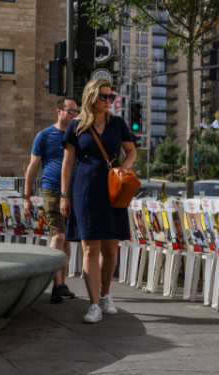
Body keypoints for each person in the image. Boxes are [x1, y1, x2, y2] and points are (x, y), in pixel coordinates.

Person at [60, 78, 136, 323]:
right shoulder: (76, 126)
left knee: (111, 250)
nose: (107, 101)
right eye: (103, 96)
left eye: (110, 96)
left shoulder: (117, 124)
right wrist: (64, 194)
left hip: (114, 192)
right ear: (91, 97)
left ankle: (106, 294)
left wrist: (122, 170)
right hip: (85, 191)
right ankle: (93, 304)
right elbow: (68, 162)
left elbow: (131, 150)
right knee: (90, 249)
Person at [24, 97, 80, 304]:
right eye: (71, 111)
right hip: (52, 190)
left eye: (76, 112)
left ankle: (61, 283)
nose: (75, 115)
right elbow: (32, 167)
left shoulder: (77, 134)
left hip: (74, 192)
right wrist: (27, 197)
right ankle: (55, 284)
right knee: (58, 235)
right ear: (59, 111)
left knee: (66, 238)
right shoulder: (45, 135)